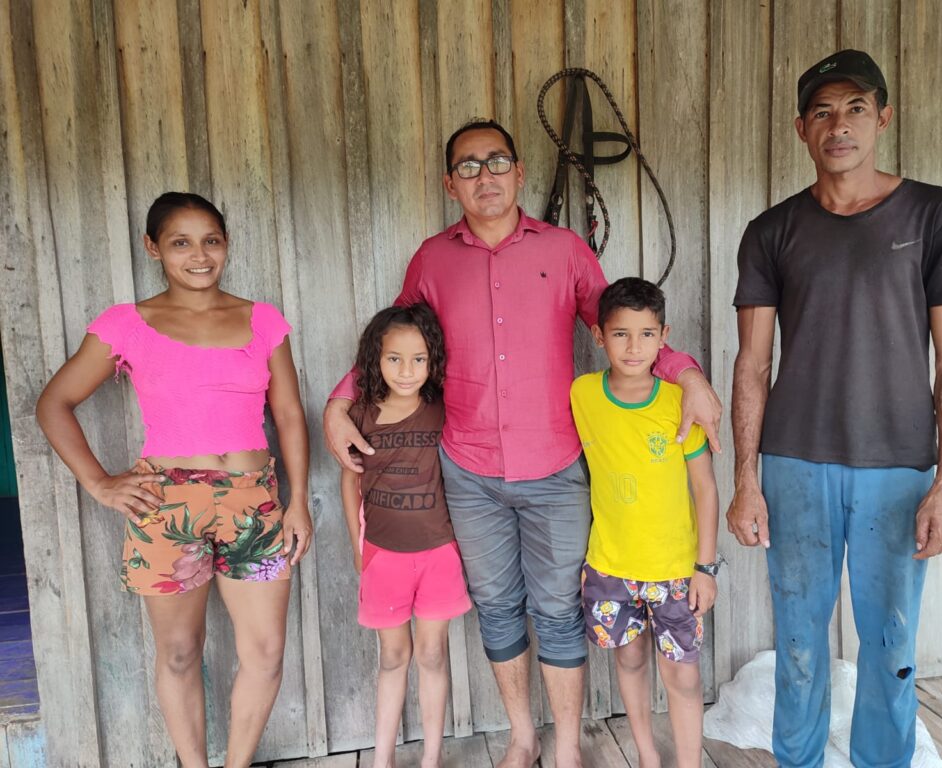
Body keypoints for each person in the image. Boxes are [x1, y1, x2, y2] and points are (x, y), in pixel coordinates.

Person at [324, 119, 722, 768]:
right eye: (469, 166)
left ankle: (564, 748)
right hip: (469, 469)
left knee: (559, 609)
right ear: (450, 183)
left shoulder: (564, 251)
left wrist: (689, 374)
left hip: (555, 468)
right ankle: (522, 738)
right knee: (498, 606)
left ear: (520, 172)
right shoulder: (432, 259)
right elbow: (393, 338)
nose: (485, 175)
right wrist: (339, 403)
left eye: (497, 161)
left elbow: (621, 327)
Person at [728, 50, 942, 768]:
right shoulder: (771, 230)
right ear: (802, 128)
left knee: (891, 644)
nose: (839, 125)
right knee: (799, 642)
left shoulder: (936, 214)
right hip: (793, 464)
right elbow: (752, 363)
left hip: (898, 468)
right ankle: (798, 760)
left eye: (856, 109)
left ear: (883, 118)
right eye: (823, 112)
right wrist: (746, 477)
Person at [35, 192, 313, 768]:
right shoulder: (127, 324)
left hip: (255, 505)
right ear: (153, 247)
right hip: (165, 508)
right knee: (181, 652)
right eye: (180, 242)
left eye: (211, 241)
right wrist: (99, 482)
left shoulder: (263, 320)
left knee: (265, 652)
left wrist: (298, 502)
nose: (199, 255)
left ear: (226, 244)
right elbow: (54, 403)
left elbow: (288, 414)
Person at [571, 278, 719, 768]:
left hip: (675, 572)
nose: (634, 347)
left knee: (682, 675)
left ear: (663, 336)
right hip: (610, 568)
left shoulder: (678, 403)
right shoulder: (583, 395)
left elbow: (705, 489)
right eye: (620, 334)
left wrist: (705, 568)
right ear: (598, 336)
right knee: (630, 661)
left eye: (646, 334)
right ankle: (648, 754)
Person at [341, 303, 470, 768]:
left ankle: (431, 757)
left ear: (433, 361)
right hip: (383, 555)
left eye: (418, 359)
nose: (406, 370)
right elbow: (349, 481)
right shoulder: (361, 414)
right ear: (375, 359)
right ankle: (383, 758)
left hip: (438, 553)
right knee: (394, 656)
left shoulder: (442, 410)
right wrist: (357, 546)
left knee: (433, 655)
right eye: (394, 358)